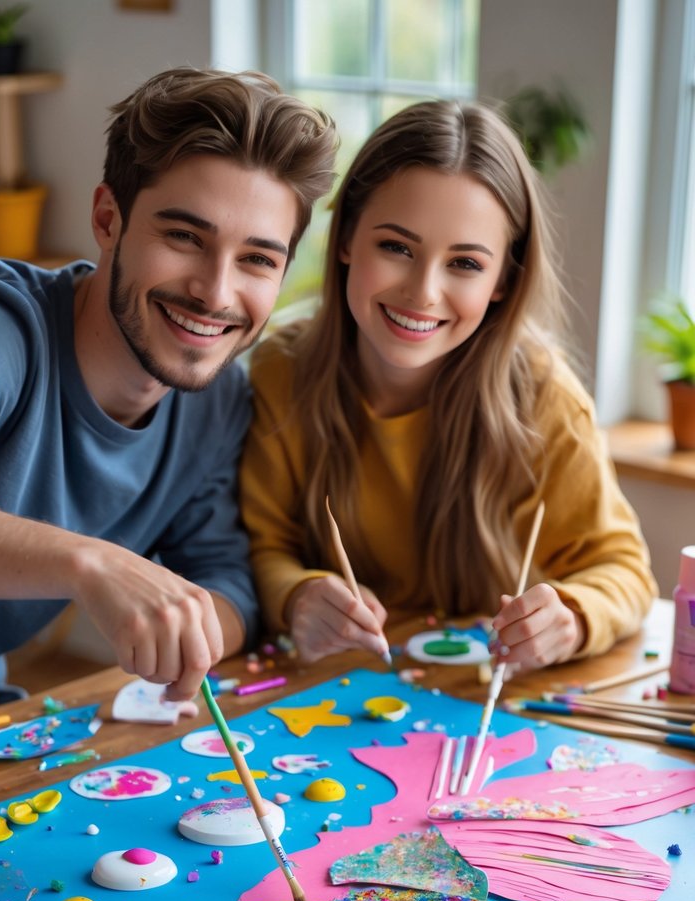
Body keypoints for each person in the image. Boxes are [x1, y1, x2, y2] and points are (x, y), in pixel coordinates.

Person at [0, 67, 337, 722]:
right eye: (184, 237)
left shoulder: (217, 399)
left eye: (258, 259)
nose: (215, 292)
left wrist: (193, 630)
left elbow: (225, 578)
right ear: (106, 218)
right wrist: (90, 565)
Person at [240, 99, 657, 668]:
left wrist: (574, 617)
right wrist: (297, 595)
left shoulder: (543, 399)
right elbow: (262, 546)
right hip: (331, 691)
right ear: (344, 240)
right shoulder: (280, 371)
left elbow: (625, 569)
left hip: (485, 693)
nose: (423, 292)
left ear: (504, 281)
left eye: (465, 263)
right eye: (396, 247)